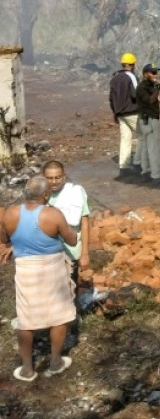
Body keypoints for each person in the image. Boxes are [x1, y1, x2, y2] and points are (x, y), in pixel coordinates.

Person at [0, 177, 77, 381]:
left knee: (25, 319)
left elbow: (4, 238)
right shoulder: (53, 214)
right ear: (45, 195)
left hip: (26, 268)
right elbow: (72, 238)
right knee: (59, 315)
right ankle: (55, 362)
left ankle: (27, 369)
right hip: (52, 267)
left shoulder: (10, 213)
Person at [42, 161, 90, 347]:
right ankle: (52, 328)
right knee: (50, 291)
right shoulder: (40, 196)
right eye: (49, 178)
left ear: (64, 175)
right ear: (43, 178)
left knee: (70, 291)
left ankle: (70, 327)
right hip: (47, 253)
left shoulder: (75, 193)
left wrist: (85, 252)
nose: (54, 182)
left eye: (57, 177)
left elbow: (84, 222)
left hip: (71, 251)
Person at [109, 52, 140, 180]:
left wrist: (115, 112)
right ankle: (141, 165)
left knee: (125, 140)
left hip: (120, 114)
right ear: (132, 65)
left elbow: (111, 98)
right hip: (133, 112)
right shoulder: (131, 76)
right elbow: (136, 94)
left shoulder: (114, 78)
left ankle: (124, 167)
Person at [136, 64, 160, 184]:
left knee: (146, 146)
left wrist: (156, 86)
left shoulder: (149, 86)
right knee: (153, 147)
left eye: (156, 72)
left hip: (148, 118)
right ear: (145, 74)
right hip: (148, 119)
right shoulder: (142, 87)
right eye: (152, 72)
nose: (155, 75)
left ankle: (146, 170)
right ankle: (156, 174)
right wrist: (158, 87)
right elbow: (150, 100)